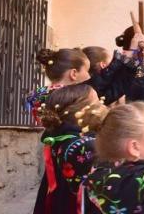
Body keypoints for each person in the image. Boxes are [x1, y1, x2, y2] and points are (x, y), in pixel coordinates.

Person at [32, 84, 99, 214]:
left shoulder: (61, 135)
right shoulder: (83, 144)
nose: (103, 107)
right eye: (97, 103)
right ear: (81, 110)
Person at [26, 48, 91, 124]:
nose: (89, 75)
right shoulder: (78, 96)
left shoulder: (34, 95)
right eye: (87, 70)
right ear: (74, 73)